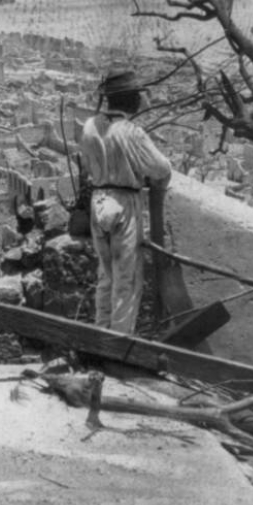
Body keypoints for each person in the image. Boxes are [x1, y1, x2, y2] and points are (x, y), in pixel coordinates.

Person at [78, 71, 171, 334]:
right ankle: (119, 342)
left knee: (105, 277)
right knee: (126, 281)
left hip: (98, 201)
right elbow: (161, 169)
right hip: (124, 202)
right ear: (130, 100)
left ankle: (100, 335)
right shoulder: (131, 132)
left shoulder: (89, 126)